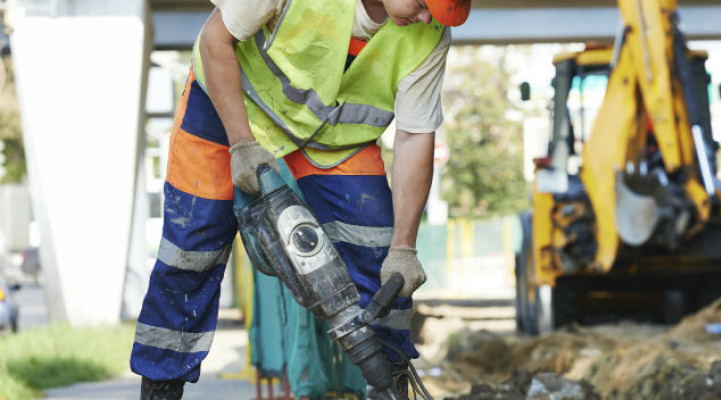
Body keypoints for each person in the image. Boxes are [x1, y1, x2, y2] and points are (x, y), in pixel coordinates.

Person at [130, 0, 471, 399]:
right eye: (422, 3)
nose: (426, 17)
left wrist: (404, 247)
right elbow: (215, 39)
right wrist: (241, 143)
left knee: (385, 269)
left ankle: (390, 387)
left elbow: (414, 136)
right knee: (189, 257)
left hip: (332, 139)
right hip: (228, 109)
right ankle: (160, 390)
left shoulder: (428, 36)